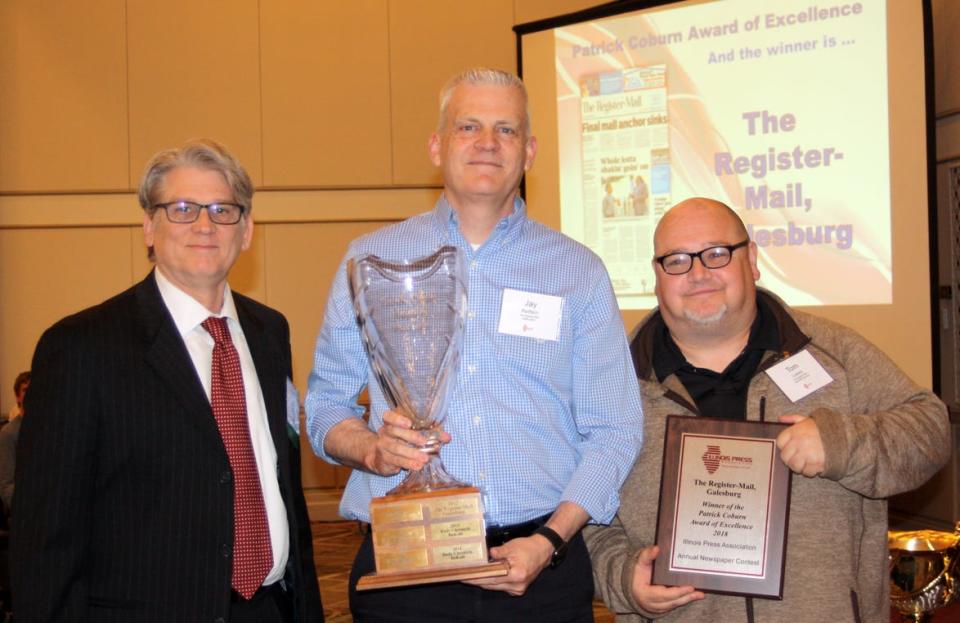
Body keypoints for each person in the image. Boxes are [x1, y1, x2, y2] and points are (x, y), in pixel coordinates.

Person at [306, 67, 643, 622]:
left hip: (540, 567)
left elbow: (615, 427)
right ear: (437, 146)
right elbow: (324, 408)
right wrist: (370, 449)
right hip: (404, 565)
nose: (488, 143)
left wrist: (550, 541)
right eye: (469, 126)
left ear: (529, 152)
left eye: (506, 130)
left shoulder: (577, 272)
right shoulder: (368, 259)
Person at [585, 197, 951, 622]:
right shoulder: (609, 382)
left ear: (753, 259)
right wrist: (623, 577)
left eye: (718, 253)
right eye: (678, 260)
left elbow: (930, 429)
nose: (698, 273)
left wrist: (840, 443)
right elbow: (583, 522)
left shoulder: (834, 353)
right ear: (657, 276)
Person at [12, 140, 323, 623]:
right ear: (149, 227)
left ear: (246, 232)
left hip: (269, 609)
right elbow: (45, 538)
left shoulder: (269, 332)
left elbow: (280, 484)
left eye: (223, 210)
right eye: (181, 209)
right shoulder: (81, 346)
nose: (204, 225)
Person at [0, 372, 29, 517]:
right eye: (25, 390)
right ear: (18, 396)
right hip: (24, 511)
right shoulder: (8, 433)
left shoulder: (50, 431)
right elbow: (6, 487)